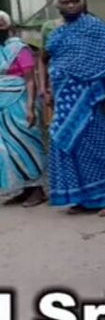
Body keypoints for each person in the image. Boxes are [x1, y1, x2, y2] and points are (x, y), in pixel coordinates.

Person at [45, 0, 105, 216]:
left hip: (93, 98)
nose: (71, 5)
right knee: (70, 145)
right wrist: (49, 89)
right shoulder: (57, 33)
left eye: (75, 0)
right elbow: (48, 58)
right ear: (57, 6)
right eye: (66, 2)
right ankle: (83, 198)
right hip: (65, 98)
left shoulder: (95, 27)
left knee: (100, 147)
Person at [0, 11, 47, 207]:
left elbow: (30, 79)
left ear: (8, 26)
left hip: (20, 100)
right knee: (8, 147)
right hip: (2, 103)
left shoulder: (19, 48)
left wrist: (30, 107)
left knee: (27, 143)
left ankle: (37, 189)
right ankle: (24, 188)